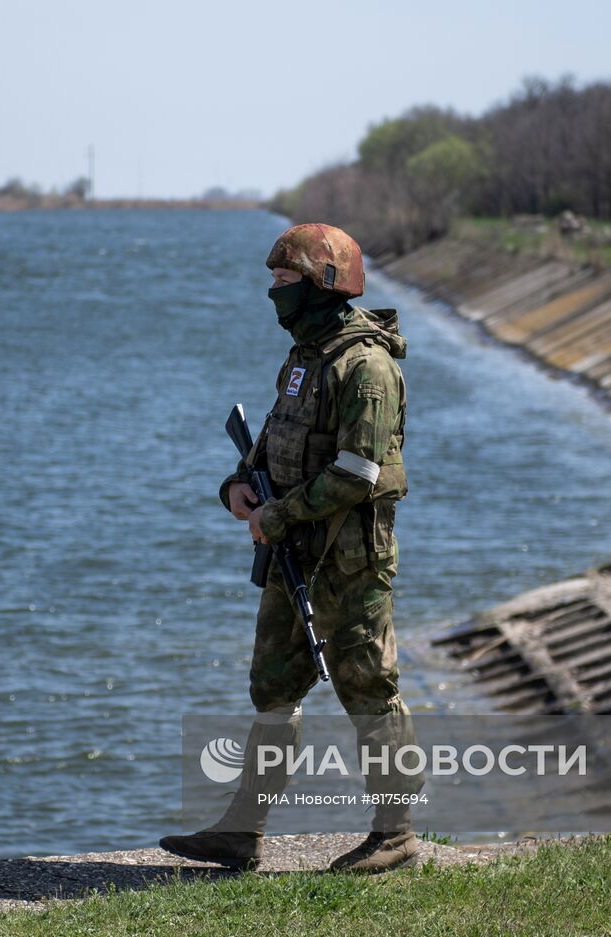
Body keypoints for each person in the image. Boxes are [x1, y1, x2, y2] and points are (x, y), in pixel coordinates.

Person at [160, 223, 422, 875]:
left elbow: (357, 473)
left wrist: (277, 514)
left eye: (285, 281)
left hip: (350, 559)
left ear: (322, 286)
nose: (274, 292)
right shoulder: (305, 357)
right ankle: (241, 831)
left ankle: (396, 832)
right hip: (293, 552)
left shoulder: (367, 367)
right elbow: (277, 437)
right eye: (274, 280)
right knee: (274, 687)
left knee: (368, 687)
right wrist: (237, 486)